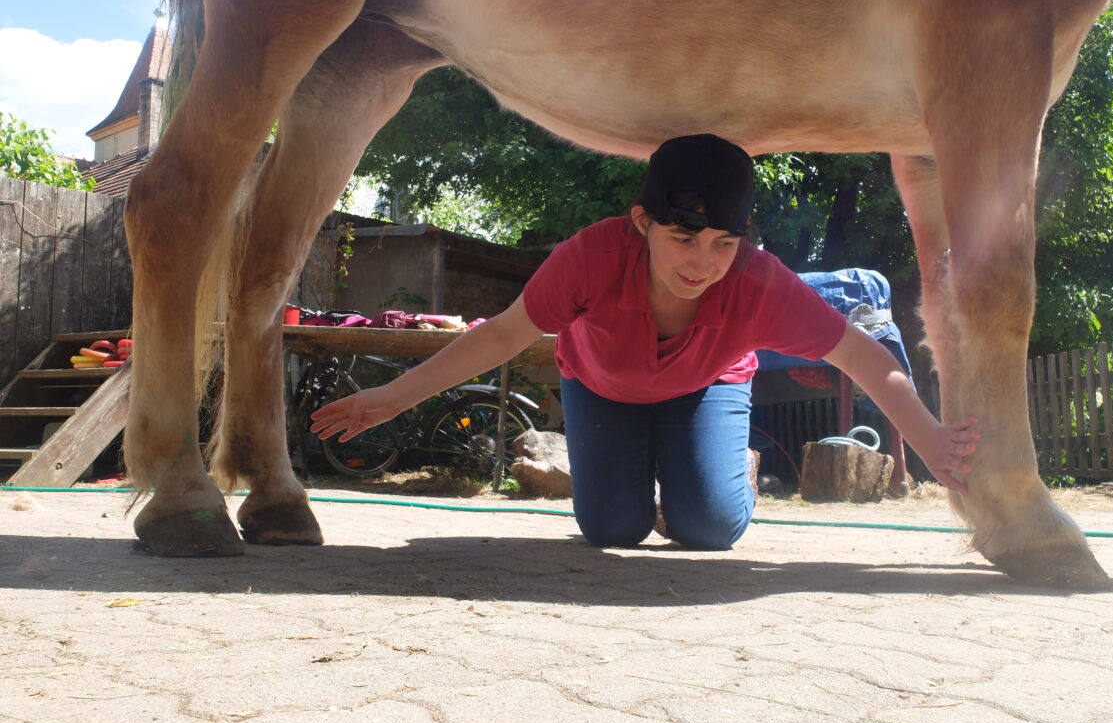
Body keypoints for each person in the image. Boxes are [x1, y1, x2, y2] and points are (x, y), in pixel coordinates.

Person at [311, 134, 980, 550]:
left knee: (709, 530)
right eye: (682, 238)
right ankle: (668, 469)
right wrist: (392, 398)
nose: (702, 262)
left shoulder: (756, 282)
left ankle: (728, 465)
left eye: (723, 244)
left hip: (704, 388)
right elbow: (505, 335)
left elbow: (861, 353)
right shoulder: (589, 259)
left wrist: (927, 435)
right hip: (602, 386)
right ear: (642, 222)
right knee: (612, 531)